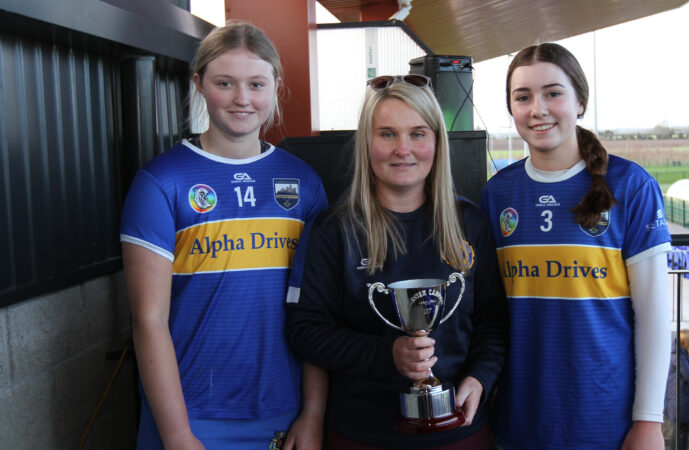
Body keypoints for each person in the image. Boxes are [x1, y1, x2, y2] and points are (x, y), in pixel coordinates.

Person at [120, 23, 328, 449]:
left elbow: (318, 312)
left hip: (282, 412)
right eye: (224, 83)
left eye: (256, 84)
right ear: (199, 84)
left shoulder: (303, 182)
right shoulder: (161, 181)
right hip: (190, 417)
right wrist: (177, 435)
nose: (242, 99)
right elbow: (149, 319)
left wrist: (313, 412)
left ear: (275, 86)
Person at [285, 74, 508, 449]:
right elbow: (305, 331)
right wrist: (386, 355)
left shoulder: (471, 224)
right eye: (387, 134)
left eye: (418, 134)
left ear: (437, 142)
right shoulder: (333, 229)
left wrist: (480, 377)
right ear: (366, 144)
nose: (403, 149)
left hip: (459, 430)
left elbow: (493, 320)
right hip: (360, 432)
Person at [481, 43, 672, 449]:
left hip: (606, 420)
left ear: (580, 101)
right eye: (523, 97)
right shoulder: (498, 194)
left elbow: (654, 317)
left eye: (553, 93)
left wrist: (649, 421)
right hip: (519, 421)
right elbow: (491, 314)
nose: (538, 109)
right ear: (511, 109)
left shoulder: (631, 185)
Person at [665, 330, 689, 450]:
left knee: (684, 432)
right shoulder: (678, 356)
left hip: (685, 400)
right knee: (680, 433)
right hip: (680, 400)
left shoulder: (687, 355)